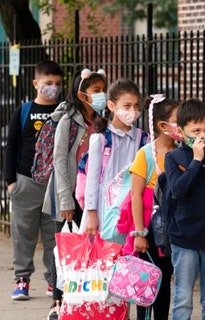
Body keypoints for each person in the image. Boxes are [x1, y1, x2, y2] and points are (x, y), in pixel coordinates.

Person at [42, 68, 107, 320]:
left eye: (103, 90)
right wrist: (65, 201)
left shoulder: (103, 120)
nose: (101, 95)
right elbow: (59, 160)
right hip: (68, 194)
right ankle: (59, 302)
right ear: (82, 94)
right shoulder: (68, 119)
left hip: (92, 196)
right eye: (95, 91)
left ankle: (85, 297)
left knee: (91, 249)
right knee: (66, 248)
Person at [164, 98, 205, 320]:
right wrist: (196, 161)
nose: (202, 136)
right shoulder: (174, 157)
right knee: (183, 297)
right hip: (184, 237)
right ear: (181, 132)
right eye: (196, 130)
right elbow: (178, 190)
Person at [3, 60, 64, 301]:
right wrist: (10, 181)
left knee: (53, 235)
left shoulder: (63, 110)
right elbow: (12, 147)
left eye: (58, 84)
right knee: (23, 233)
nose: (53, 88)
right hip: (25, 181)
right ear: (36, 83)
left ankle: (53, 280)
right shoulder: (24, 111)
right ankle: (22, 279)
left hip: (55, 185)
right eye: (48, 83)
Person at [122, 94, 178, 320]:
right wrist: (139, 233)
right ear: (163, 125)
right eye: (178, 119)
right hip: (149, 230)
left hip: (172, 229)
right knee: (145, 283)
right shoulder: (145, 154)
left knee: (164, 281)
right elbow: (135, 194)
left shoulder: (182, 151)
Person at [82, 79, 145, 235]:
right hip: (103, 209)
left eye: (136, 106)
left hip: (130, 208)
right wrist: (91, 214)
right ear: (111, 106)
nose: (133, 111)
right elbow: (92, 180)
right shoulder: (101, 138)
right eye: (127, 106)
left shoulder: (142, 139)